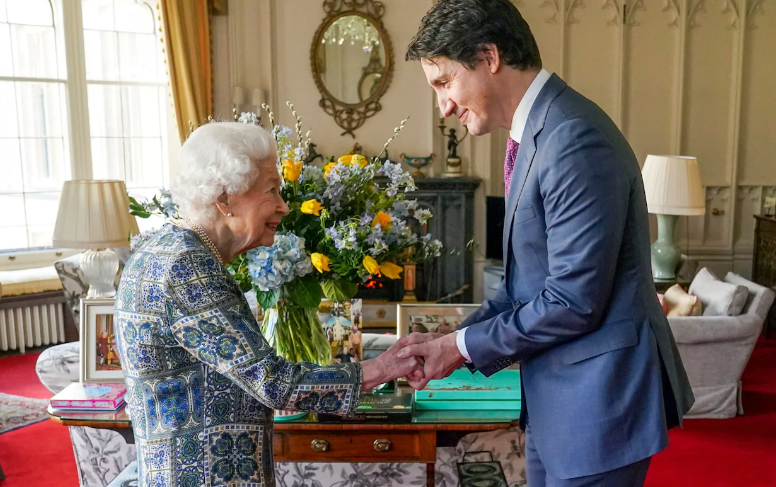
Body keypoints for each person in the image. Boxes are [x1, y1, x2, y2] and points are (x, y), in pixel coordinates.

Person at [397, 1, 695, 486]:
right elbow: (524, 287)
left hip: (598, 406)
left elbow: (573, 302)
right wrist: (447, 339)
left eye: (444, 82)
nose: (444, 106)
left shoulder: (574, 137)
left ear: (489, 57)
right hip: (561, 403)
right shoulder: (537, 132)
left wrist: (459, 348)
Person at [114, 122, 422, 487]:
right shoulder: (187, 267)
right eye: (272, 190)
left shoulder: (164, 249)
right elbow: (272, 381)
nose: (283, 206)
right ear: (224, 198)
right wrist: (380, 369)